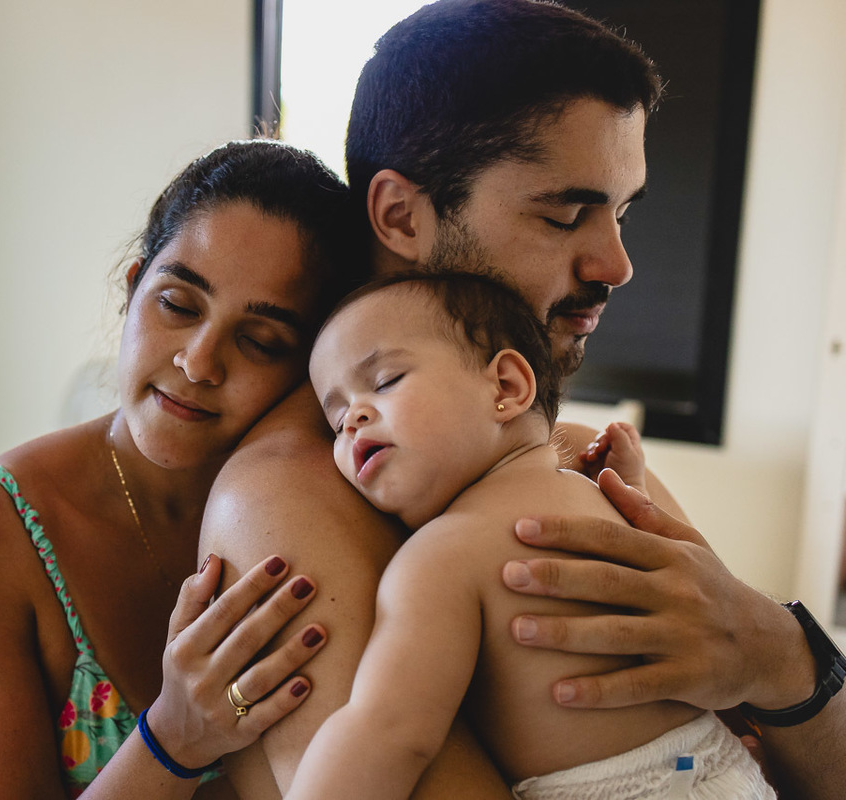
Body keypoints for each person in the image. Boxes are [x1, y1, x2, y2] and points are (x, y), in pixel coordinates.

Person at [200, 2, 845, 797]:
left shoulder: (575, 461)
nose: (618, 263)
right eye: (567, 214)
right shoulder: (290, 498)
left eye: (623, 212)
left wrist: (785, 653)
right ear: (401, 215)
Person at [0, 139, 371, 798]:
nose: (199, 363)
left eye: (261, 341)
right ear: (132, 290)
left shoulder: (344, 503)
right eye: (178, 305)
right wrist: (174, 738)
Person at [288, 272, 773, 799]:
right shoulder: (598, 497)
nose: (354, 419)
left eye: (385, 382)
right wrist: (630, 490)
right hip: (723, 770)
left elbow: (387, 731)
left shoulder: (442, 554)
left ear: (506, 387)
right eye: (336, 422)